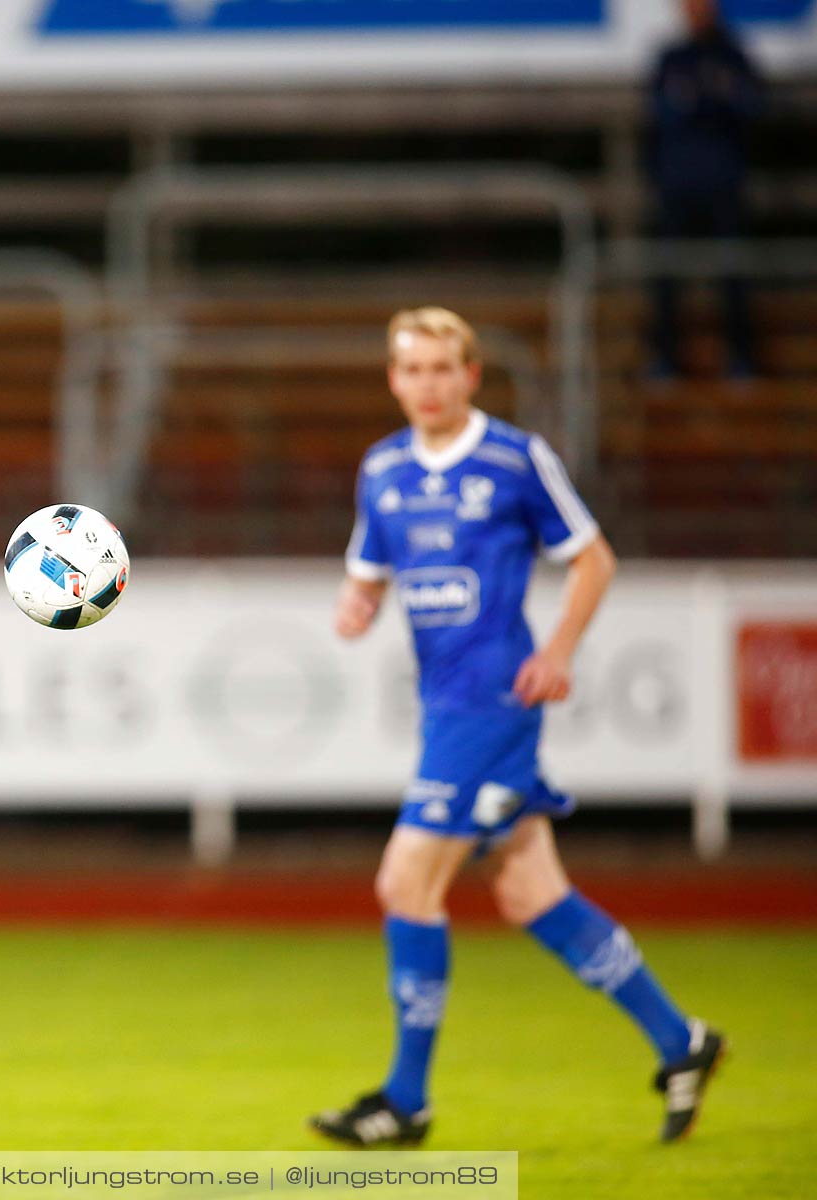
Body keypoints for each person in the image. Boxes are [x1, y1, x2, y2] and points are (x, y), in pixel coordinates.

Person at [309, 308, 724, 1147]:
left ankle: (405, 1099)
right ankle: (682, 1043)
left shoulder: (512, 458)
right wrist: (359, 605)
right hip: (444, 708)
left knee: (404, 884)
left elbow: (593, 558)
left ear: (470, 377)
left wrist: (562, 648)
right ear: (393, 380)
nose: (426, 384)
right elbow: (372, 575)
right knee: (533, 892)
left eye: (441, 368)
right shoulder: (383, 468)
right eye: (411, 369)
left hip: (497, 705)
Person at [645, 0, 766, 379]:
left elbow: (749, 108)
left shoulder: (734, 56)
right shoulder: (672, 57)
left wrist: (702, 100)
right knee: (667, 274)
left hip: (723, 181)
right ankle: (665, 359)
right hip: (677, 182)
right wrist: (710, 97)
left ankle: (741, 357)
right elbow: (661, 114)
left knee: (733, 272)